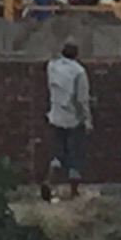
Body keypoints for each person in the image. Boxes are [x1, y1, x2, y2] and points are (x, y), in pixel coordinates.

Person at [42, 37, 92, 201]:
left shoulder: (52, 67)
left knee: (58, 155)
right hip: (73, 119)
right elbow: (82, 99)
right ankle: (73, 191)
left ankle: (49, 183)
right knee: (75, 155)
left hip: (56, 116)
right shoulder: (79, 72)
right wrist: (88, 120)